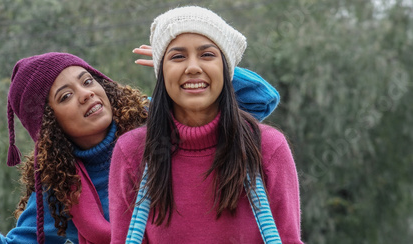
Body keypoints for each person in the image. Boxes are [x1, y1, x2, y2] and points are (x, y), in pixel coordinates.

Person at [0, 49, 279, 243]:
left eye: (87, 81)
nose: (86, 93)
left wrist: (189, 67)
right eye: (65, 96)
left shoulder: (157, 119)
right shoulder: (61, 190)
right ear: (50, 123)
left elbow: (260, 100)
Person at [109, 6, 303, 244]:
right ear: (161, 72)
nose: (192, 67)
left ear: (226, 69)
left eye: (207, 55)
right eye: (177, 57)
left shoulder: (267, 148)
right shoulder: (132, 152)